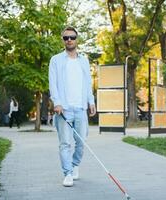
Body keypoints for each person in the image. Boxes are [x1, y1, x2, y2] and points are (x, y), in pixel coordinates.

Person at [49, 26, 96, 187]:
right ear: (63, 40)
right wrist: (57, 103)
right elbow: (53, 83)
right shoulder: (55, 60)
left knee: (81, 142)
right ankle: (67, 173)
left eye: (72, 37)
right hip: (64, 109)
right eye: (66, 38)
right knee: (65, 143)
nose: (69, 40)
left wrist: (91, 102)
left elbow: (88, 83)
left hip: (81, 108)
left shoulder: (84, 60)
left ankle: (75, 165)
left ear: (77, 39)